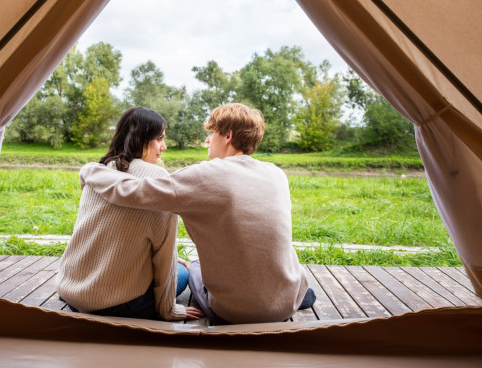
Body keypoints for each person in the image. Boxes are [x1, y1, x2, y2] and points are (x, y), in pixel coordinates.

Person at [80, 103, 315, 324]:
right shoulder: (276, 174)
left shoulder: (204, 175)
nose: (207, 139)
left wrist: (91, 169)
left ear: (228, 136)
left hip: (234, 312)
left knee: (193, 267)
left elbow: (130, 190)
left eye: (212, 133)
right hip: (287, 301)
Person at [56, 107, 202, 321]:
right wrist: (169, 309)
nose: (164, 147)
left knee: (175, 262)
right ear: (141, 138)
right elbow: (163, 257)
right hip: (116, 306)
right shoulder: (159, 182)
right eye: (159, 139)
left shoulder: (100, 170)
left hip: (73, 294)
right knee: (183, 272)